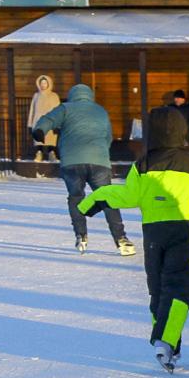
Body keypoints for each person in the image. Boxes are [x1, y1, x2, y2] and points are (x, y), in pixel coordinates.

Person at [77, 107, 189, 371]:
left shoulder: (143, 164)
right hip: (183, 231)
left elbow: (128, 196)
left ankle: (168, 345)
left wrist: (94, 200)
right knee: (179, 288)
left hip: (153, 233)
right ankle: (166, 340)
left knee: (159, 288)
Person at [36, 82, 133, 256]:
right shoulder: (100, 111)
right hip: (99, 162)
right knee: (108, 199)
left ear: (73, 95)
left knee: (76, 198)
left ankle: (81, 236)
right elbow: (108, 137)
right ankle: (121, 239)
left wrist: (39, 130)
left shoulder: (66, 108)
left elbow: (48, 120)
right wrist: (101, 152)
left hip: (72, 163)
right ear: (90, 96)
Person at [26, 74, 60, 163]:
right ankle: (39, 153)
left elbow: (58, 111)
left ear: (49, 84)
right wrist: (30, 124)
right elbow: (32, 110)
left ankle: (51, 153)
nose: (43, 85)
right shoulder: (36, 96)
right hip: (38, 121)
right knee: (39, 139)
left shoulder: (54, 96)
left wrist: (58, 124)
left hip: (50, 121)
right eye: (41, 83)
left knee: (51, 139)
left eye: (45, 83)